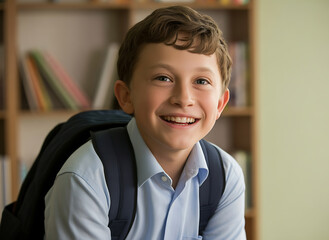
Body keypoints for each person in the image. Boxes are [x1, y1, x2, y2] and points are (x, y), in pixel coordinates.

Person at [44, 5, 246, 240]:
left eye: (201, 81)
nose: (183, 98)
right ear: (126, 96)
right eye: (163, 78)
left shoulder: (225, 176)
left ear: (221, 104)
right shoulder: (87, 178)